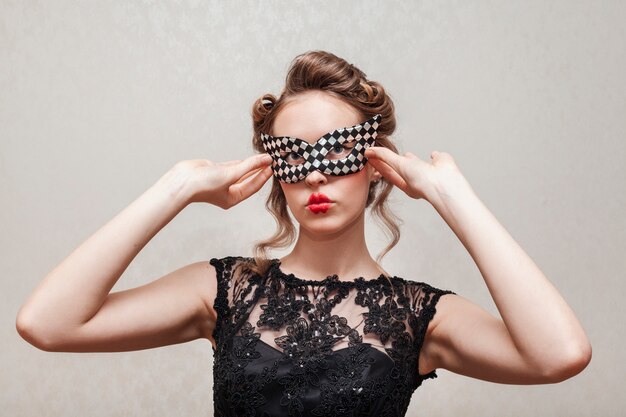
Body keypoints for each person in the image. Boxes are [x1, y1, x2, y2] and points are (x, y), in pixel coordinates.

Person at [16, 50, 591, 417]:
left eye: (338, 152)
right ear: (273, 171)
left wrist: (452, 197)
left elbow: (560, 355)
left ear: (375, 163)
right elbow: (47, 323)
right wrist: (179, 185)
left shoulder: (418, 317)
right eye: (294, 156)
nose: (315, 174)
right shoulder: (225, 292)